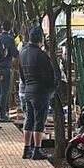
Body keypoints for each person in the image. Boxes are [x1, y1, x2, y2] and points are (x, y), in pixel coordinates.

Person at [19, 27, 57, 160]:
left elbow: (22, 76)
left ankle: (26, 149)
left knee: (29, 120)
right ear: (40, 39)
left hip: (28, 91)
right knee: (39, 121)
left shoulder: (23, 53)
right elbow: (50, 76)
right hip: (40, 92)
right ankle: (37, 150)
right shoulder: (41, 55)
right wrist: (52, 89)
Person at [0, 20, 19, 123]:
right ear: (10, 28)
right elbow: (15, 53)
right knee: (5, 92)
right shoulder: (10, 39)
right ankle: (3, 114)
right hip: (6, 67)